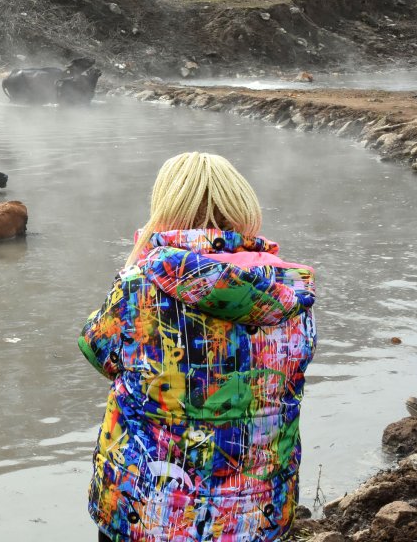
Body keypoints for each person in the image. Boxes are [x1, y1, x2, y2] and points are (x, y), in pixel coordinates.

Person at [78, 152, 317, 542]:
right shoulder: (291, 291)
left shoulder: (141, 284)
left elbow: (98, 351)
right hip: (255, 517)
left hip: (147, 514)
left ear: (164, 207)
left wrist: (137, 263)